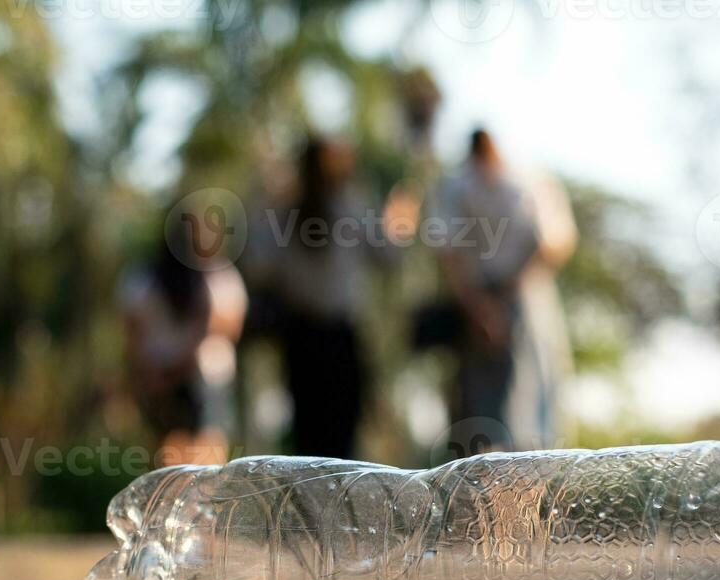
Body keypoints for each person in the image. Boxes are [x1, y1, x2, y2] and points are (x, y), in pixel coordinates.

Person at [244, 135, 417, 459]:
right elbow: (389, 256)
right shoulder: (350, 206)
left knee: (307, 444)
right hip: (336, 339)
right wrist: (402, 220)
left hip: (301, 341)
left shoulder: (283, 211)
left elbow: (257, 269)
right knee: (342, 446)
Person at [432, 128, 576, 450]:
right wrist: (480, 308)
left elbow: (556, 243)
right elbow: (448, 252)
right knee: (485, 421)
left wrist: (505, 295)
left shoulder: (530, 180)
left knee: (535, 413)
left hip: (525, 304)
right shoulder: (457, 185)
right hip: (481, 308)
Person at [119, 218, 247, 465]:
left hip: (171, 377)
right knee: (204, 455)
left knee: (174, 457)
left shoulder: (142, 278)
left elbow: (131, 332)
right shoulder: (218, 278)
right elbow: (233, 325)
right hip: (194, 378)